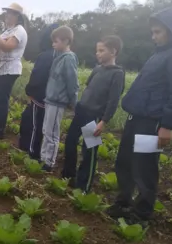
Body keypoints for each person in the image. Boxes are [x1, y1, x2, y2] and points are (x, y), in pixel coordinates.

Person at [107, 6, 172, 224]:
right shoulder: (160, 53)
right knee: (124, 162)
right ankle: (123, 202)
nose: (153, 36)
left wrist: (167, 126)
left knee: (144, 167)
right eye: (153, 32)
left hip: (152, 122)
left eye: (158, 32)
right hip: (136, 117)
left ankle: (142, 213)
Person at [62, 36, 125, 192]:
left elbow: (113, 100)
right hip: (82, 110)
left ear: (113, 52)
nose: (98, 53)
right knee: (70, 141)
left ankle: (84, 186)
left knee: (89, 150)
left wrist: (103, 121)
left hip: (94, 115)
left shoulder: (117, 74)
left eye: (101, 50)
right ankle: (68, 176)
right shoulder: (97, 69)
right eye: (97, 50)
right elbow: (89, 86)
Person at [0, 3, 28, 139]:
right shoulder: (7, 31)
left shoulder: (19, 31)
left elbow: (8, 47)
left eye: (10, 13)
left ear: (17, 16)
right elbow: (1, 47)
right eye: (7, 12)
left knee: (1, 100)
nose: (7, 15)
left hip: (9, 70)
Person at [39, 25, 79, 172]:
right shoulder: (58, 56)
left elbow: (72, 82)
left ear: (66, 41)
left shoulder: (69, 59)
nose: (53, 44)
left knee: (52, 132)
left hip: (57, 101)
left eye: (56, 41)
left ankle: (49, 162)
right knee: (46, 130)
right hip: (50, 99)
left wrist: (73, 102)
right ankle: (43, 158)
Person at [18, 23, 58, 159]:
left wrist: (29, 92)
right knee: (48, 129)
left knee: (35, 125)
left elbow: (38, 76)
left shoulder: (46, 56)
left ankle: (32, 154)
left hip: (40, 97)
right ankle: (46, 156)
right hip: (54, 100)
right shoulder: (64, 56)